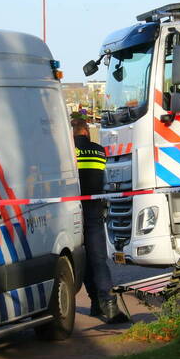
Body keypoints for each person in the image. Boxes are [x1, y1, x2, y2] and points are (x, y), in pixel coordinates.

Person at [71, 116, 129, 323]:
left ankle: (95, 301)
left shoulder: (69, 152)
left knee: (81, 256)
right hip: (93, 209)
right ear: (87, 131)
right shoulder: (99, 150)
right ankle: (107, 304)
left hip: (71, 210)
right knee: (97, 257)